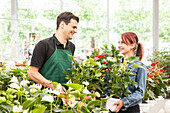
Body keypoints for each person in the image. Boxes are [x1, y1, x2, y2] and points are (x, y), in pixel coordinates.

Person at [28, 12, 79, 90]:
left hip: (65, 96)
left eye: (76, 28)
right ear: (62, 25)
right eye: (73, 27)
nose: (76, 31)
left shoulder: (71, 47)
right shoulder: (44, 45)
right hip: (46, 97)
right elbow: (32, 73)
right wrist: (53, 86)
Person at [111, 32, 147, 113]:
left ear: (132, 45)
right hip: (114, 107)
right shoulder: (115, 64)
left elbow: (140, 92)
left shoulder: (139, 67)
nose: (119, 46)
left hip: (130, 109)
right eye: (119, 42)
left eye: (122, 43)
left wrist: (124, 101)